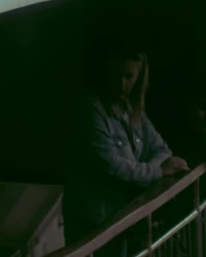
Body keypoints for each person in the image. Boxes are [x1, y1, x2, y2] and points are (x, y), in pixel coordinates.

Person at [66, 40, 188, 246]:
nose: (121, 83)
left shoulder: (131, 109)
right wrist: (158, 172)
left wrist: (158, 167)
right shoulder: (91, 109)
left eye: (128, 76)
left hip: (121, 216)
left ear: (139, 76)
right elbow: (111, 165)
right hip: (93, 219)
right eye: (115, 74)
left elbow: (161, 149)